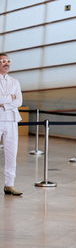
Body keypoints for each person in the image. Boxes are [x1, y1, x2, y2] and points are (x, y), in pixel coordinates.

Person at [0, 53, 23, 196]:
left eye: (8, 61)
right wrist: (10, 98)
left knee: (11, 154)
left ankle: (9, 185)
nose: (6, 63)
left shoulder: (15, 82)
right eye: (2, 61)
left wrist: (4, 104)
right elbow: (11, 99)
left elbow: (19, 101)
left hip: (12, 120)